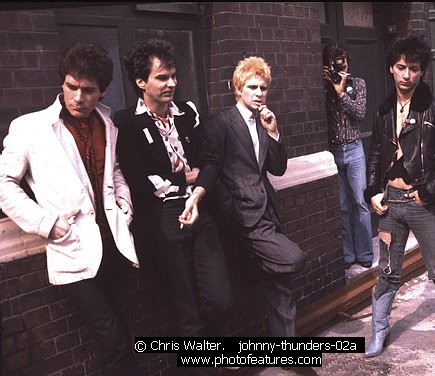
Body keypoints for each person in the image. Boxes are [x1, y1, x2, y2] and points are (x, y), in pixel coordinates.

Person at [0, 43, 140, 375]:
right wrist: (47, 224)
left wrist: (124, 202)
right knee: (113, 339)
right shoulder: (30, 128)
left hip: (114, 246)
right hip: (73, 250)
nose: (78, 97)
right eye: (71, 87)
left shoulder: (108, 123)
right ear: (62, 84)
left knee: (121, 336)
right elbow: (4, 183)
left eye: (88, 90)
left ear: (102, 90)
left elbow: (115, 170)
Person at [114, 39, 232, 353]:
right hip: (163, 220)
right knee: (186, 313)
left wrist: (197, 191)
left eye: (173, 76)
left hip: (200, 206)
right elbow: (141, 182)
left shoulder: (187, 113)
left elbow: (210, 161)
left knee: (220, 299)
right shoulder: (126, 123)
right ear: (141, 82)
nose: (172, 83)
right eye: (162, 77)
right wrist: (184, 179)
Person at [363, 34, 435, 370]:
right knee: (388, 272)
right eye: (401, 67)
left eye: (414, 69)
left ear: (422, 72)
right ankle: (378, 330)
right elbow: (376, 154)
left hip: (422, 203)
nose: (407, 75)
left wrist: (430, 191)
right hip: (390, 204)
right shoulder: (382, 109)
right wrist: (372, 191)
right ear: (391, 69)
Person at [205, 55, 308, 345]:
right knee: (294, 258)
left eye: (263, 88)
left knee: (281, 286)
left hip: (269, 213)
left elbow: (278, 168)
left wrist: (274, 132)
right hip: (243, 219)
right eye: (252, 87)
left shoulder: (264, 121)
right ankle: (251, 262)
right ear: (238, 89)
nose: (259, 94)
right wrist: (233, 213)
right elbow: (213, 174)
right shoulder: (221, 122)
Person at [322, 43, 373, 270]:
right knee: (342, 206)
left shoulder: (358, 84)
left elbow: (360, 114)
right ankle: (347, 255)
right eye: (335, 65)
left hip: (354, 149)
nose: (340, 69)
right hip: (333, 151)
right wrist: (327, 86)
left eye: (343, 63)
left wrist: (341, 92)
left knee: (360, 202)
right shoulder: (322, 88)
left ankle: (364, 253)